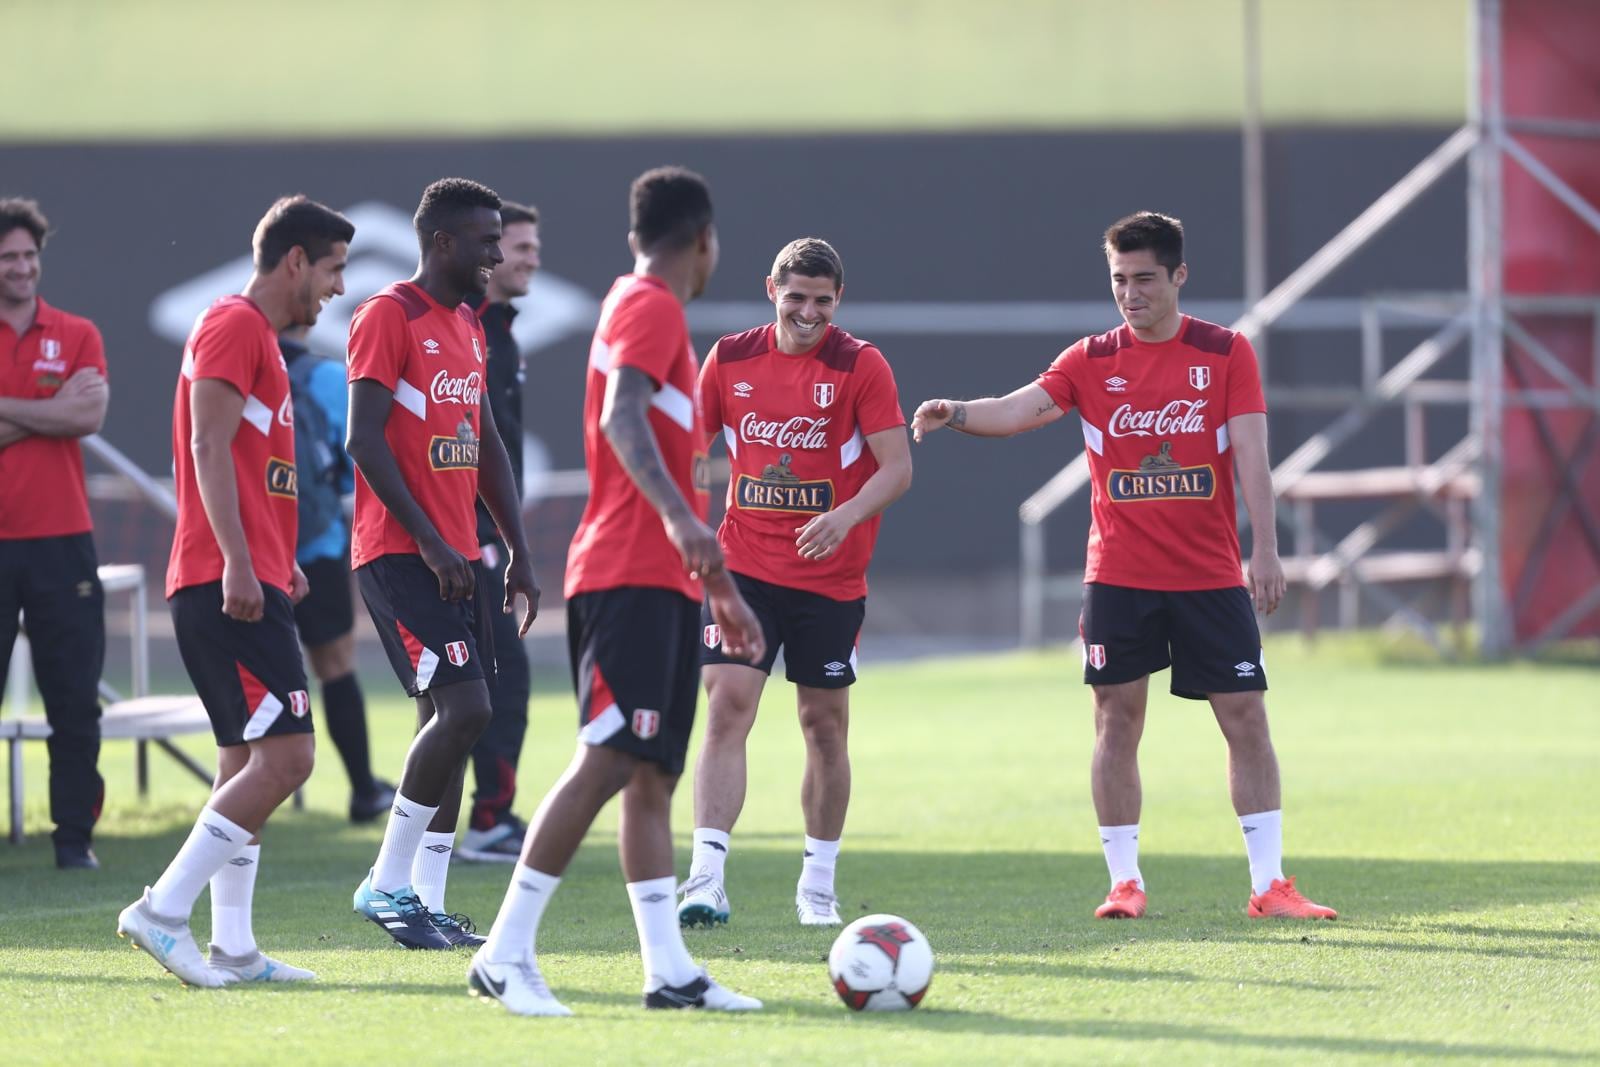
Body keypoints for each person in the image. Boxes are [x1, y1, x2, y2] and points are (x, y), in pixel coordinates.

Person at [911, 211, 1336, 922]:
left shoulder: (1226, 353)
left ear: (1178, 276)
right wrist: (955, 410)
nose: (1130, 294)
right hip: (1119, 575)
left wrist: (1264, 547)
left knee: (1246, 718)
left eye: (1144, 279)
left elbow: (1255, 459)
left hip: (1209, 576)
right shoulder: (1090, 360)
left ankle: (1269, 884)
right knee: (1115, 720)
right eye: (1118, 280)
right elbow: (1019, 410)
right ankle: (1124, 882)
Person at [469, 166, 766, 1016]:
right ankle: (504, 952)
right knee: (607, 754)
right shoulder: (649, 305)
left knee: (649, 778)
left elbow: (658, 448)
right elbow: (620, 419)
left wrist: (715, 589)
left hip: (661, 578)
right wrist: (681, 524)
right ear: (704, 240)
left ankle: (668, 969)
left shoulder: (645, 307)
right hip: (627, 570)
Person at [116, 195, 354, 987]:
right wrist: (239, 561)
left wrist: (275, 557)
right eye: (332, 269)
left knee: (244, 760)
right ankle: (160, 909)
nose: (338, 288)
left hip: (248, 576)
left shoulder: (262, 341)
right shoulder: (233, 324)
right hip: (224, 584)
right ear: (294, 262)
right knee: (288, 758)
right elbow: (204, 442)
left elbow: (253, 469)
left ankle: (236, 947)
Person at [678, 237, 911, 929]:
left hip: (830, 579)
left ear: (838, 300)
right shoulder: (731, 358)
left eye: (822, 300)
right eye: (796, 296)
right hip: (743, 566)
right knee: (727, 706)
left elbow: (896, 468)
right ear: (770, 289)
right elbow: (692, 448)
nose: (808, 312)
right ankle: (706, 878)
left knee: (823, 726)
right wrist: (691, 524)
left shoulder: (861, 364)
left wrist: (843, 517)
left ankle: (816, 884)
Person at [347, 178, 539, 951]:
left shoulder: (468, 324)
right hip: (400, 554)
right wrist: (428, 537)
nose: (496, 253)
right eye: (487, 240)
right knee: (468, 712)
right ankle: (385, 881)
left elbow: (485, 439)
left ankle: (422, 899)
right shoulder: (387, 315)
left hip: (460, 557)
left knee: (451, 723)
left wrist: (519, 550)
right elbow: (364, 440)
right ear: (443, 243)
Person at [0, 198, 110, 871]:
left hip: (62, 539)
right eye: (8, 257)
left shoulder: (75, 331)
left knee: (74, 699)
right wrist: (50, 410)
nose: (20, 268)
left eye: (28, 256)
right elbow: (68, 413)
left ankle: (73, 840)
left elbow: (89, 413)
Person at [280, 324, 395, 823]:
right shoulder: (325, 376)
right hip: (317, 546)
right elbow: (355, 465)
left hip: (251, 549)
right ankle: (363, 789)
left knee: (261, 676)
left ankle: (248, 799)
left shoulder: (234, 367)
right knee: (335, 665)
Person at [459, 200, 541, 862]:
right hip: (463, 535)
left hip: (489, 535)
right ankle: (487, 819)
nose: (529, 257)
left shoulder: (502, 330)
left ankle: (484, 817)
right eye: (517, 246)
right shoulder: (468, 328)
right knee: (493, 679)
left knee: (483, 682)